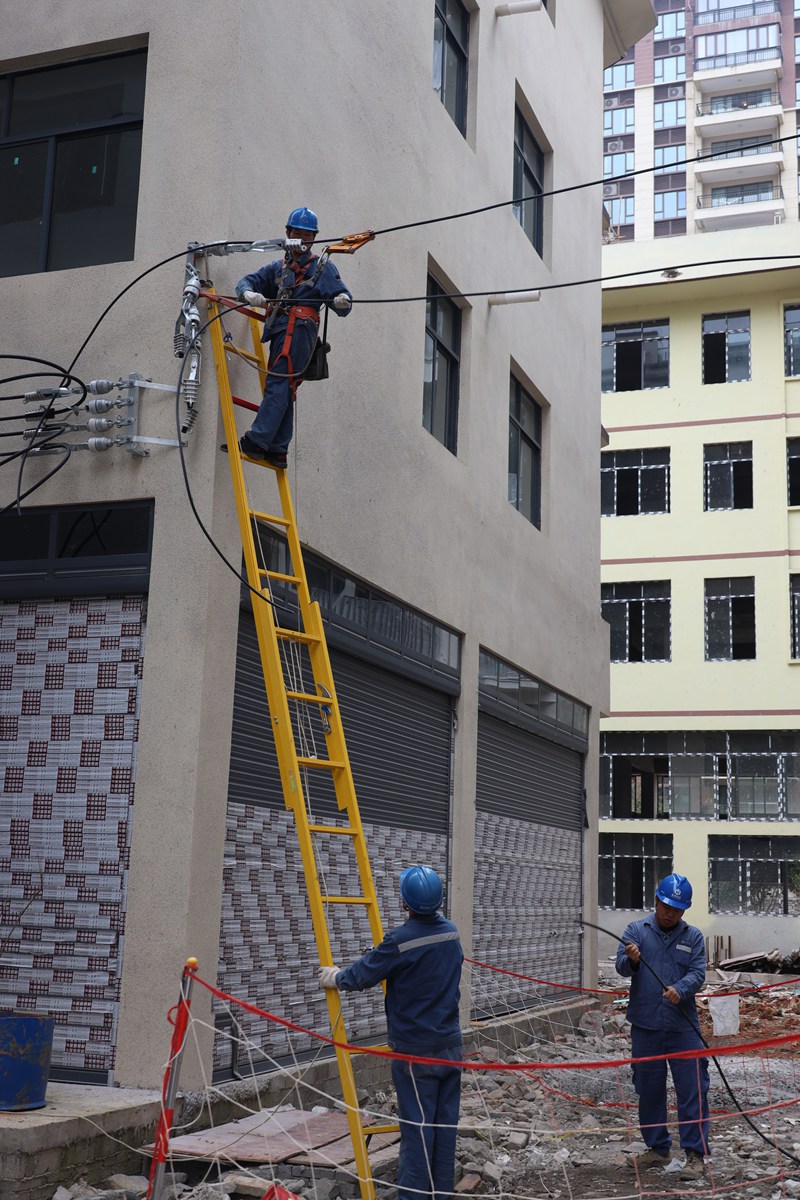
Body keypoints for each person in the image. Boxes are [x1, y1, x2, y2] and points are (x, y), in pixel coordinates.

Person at [319, 865, 463, 1200]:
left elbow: (362, 976)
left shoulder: (400, 941)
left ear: (405, 901)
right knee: (444, 1132)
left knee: (417, 1135)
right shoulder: (451, 933)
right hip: (450, 1049)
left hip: (416, 1054)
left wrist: (336, 977)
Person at [235, 206, 352, 469]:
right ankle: (277, 449)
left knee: (279, 383)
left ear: (313, 238)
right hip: (281, 331)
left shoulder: (321, 269)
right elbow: (246, 281)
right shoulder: (278, 268)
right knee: (285, 387)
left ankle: (258, 440)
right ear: (287, 234)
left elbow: (342, 299)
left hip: (299, 331)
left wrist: (342, 302)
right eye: (297, 234)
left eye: (307, 236)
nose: (302, 240)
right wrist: (247, 294)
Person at [615, 872, 710, 1182]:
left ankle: (694, 1154)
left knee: (692, 1088)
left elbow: (698, 974)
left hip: (683, 1027)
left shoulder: (693, 936)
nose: (670, 913)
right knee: (649, 1088)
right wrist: (632, 960)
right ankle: (658, 1148)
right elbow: (620, 968)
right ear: (656, 901)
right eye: (666, 906)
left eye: (677, 909)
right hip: (646, 1026)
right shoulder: (636, 931)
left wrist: (680, 989)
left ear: (684, 910)